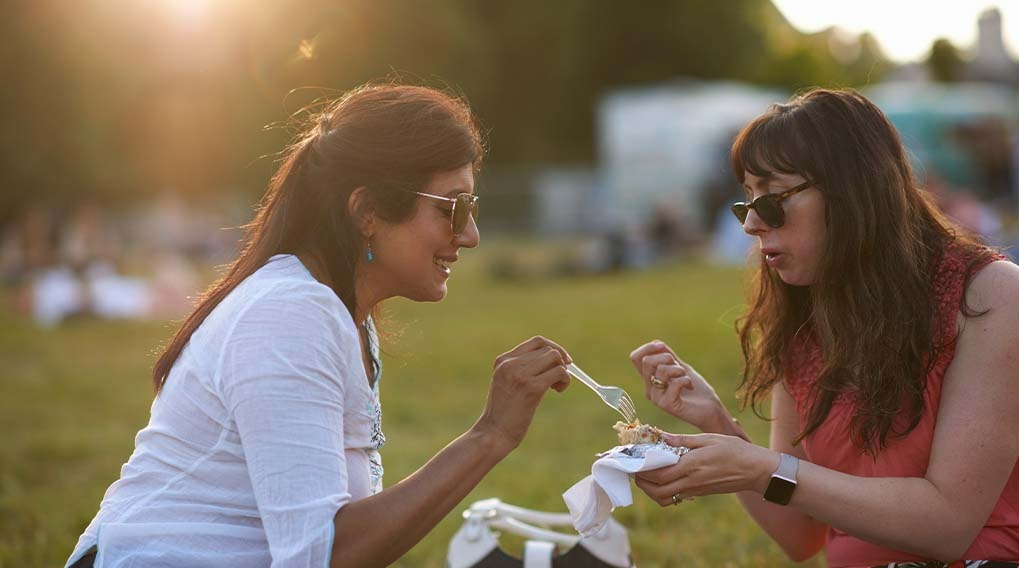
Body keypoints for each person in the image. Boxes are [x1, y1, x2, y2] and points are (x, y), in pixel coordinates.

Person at [65, 83, 573, 568]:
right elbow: (320, 557)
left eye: (472, 207)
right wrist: (489, 436)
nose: (472, 235)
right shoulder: (288, 314)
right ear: (367, 211)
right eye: (454, 208)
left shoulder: (341, 312)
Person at [628, 88, 1019, 567]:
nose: (751, 224)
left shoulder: (990, 295)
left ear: (853, 192)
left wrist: (763, 467)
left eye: (772, 199)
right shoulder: (806, 317)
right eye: (746, 201)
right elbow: (801, 535)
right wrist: (717, 424)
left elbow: (948, 525)